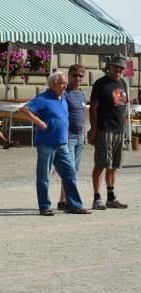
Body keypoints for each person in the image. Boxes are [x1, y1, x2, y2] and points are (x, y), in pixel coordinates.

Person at [21, 72, 90, 216]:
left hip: (62, 144)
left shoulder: (63, 98)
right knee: (43, 177)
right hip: (46, 144)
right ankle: (45, 206)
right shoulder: (43, 98)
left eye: (65, 83)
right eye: (62, 83)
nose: (65, 85)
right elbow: (24, 110)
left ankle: (74, 205)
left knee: (70, 173)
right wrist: (39, 122)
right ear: (53, 85)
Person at [89, 54, 129, 210]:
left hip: (119, 130)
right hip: (104, 129)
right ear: (110, 66)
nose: (118, 69)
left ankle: (111, 197)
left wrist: (124, 126)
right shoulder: (101, 83)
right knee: (101, 164)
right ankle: (96, 198)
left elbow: (122, 107)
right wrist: (93, 130)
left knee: (114, 165)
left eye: (121, 67)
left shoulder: (123, 83)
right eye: (116, 66)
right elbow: (93, 108)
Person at [58, 64, 87, 210]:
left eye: (80, 75)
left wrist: (84, 133)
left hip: (79, 137)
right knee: (69, 170)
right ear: (69, 76)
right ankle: (71, 202)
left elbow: (83, 114)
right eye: (75, 75)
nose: (78, 78)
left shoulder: (81, 93)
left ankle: (62, 200)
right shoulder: (65, 93)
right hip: (68, 137)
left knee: (74, 169)